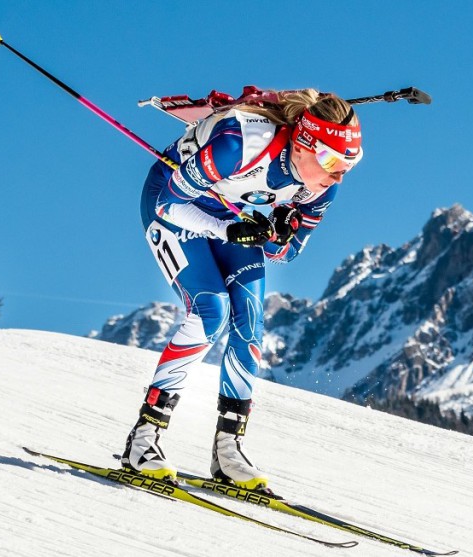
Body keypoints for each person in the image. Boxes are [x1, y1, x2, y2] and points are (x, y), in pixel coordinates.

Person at [121, 88, 363, 490]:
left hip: (229, 216)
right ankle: (143, 439)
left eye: (351, 164)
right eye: (333, 161)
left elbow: (285, 253)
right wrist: (227, 228)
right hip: (176, 206)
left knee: (249, 323)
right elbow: (168, 205)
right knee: (210, 314)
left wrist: (278, 234)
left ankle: (228, 451)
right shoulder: (240, 144)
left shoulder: (322, 187)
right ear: (304, 144)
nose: (339, 174)